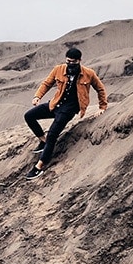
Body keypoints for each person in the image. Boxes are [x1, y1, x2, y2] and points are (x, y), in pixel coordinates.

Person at [23, 47, 108, 180]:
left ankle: (39, 166)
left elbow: (100, 89)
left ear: (79, 61)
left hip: (69, 109)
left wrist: (102, 106)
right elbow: (46, 83)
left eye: (73, 62)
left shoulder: (89, 73)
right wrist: (37, 96)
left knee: (52, 134)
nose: (70, 64)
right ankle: (43, 140)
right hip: (55, 104)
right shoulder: (58, 69)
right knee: (29, 116)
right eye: (68, 61)